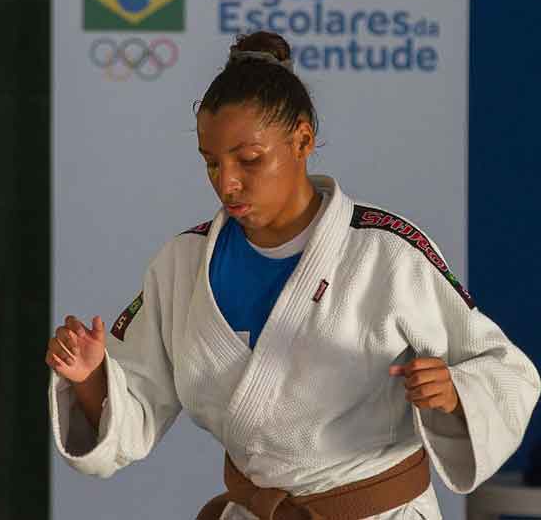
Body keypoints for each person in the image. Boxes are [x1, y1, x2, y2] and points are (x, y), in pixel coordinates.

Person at [45, 31, 540, 519]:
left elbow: (506, 371)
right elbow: (132, 408)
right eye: (211, 164)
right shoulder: (183, 263)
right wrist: (89, 376)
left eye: (249, 159)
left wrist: (455, 392)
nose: (227, 182)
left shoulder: (386, 250)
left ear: (302, 140)